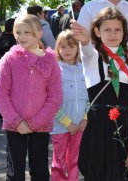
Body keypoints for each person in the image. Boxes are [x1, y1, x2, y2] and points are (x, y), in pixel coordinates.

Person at [72, 7, 128, 181]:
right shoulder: (93, 57)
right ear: (97, 31)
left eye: (117, 29)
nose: (113, 34)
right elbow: (86, 49)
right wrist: (85, 41)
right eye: (107, 29)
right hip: (98, 129)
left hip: (123, 127)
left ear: (124, 32)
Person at [0, 14, 63, 180]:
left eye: (27, 32)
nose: (21, 36)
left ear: (39, 33)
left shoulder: (51, 60)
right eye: (18, 32)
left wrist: (35, 122)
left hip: (40, 125)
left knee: (40, 170)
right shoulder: (9, 60)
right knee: (15, 171)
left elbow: (55, 97)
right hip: (14, 125)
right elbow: (1, 94)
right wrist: (16, 121)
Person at [51, 30, 89, 181]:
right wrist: (67, 123)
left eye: (71, 46)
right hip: (60, 125)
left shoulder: (84, 69)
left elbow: (88, 97)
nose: (67, 50)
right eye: (63, 46)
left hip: (79, 124)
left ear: (78, 48)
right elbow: (52, 100)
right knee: (58, 162)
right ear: (58, 48)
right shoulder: (55, 70)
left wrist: (85, 118)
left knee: (74, 160)